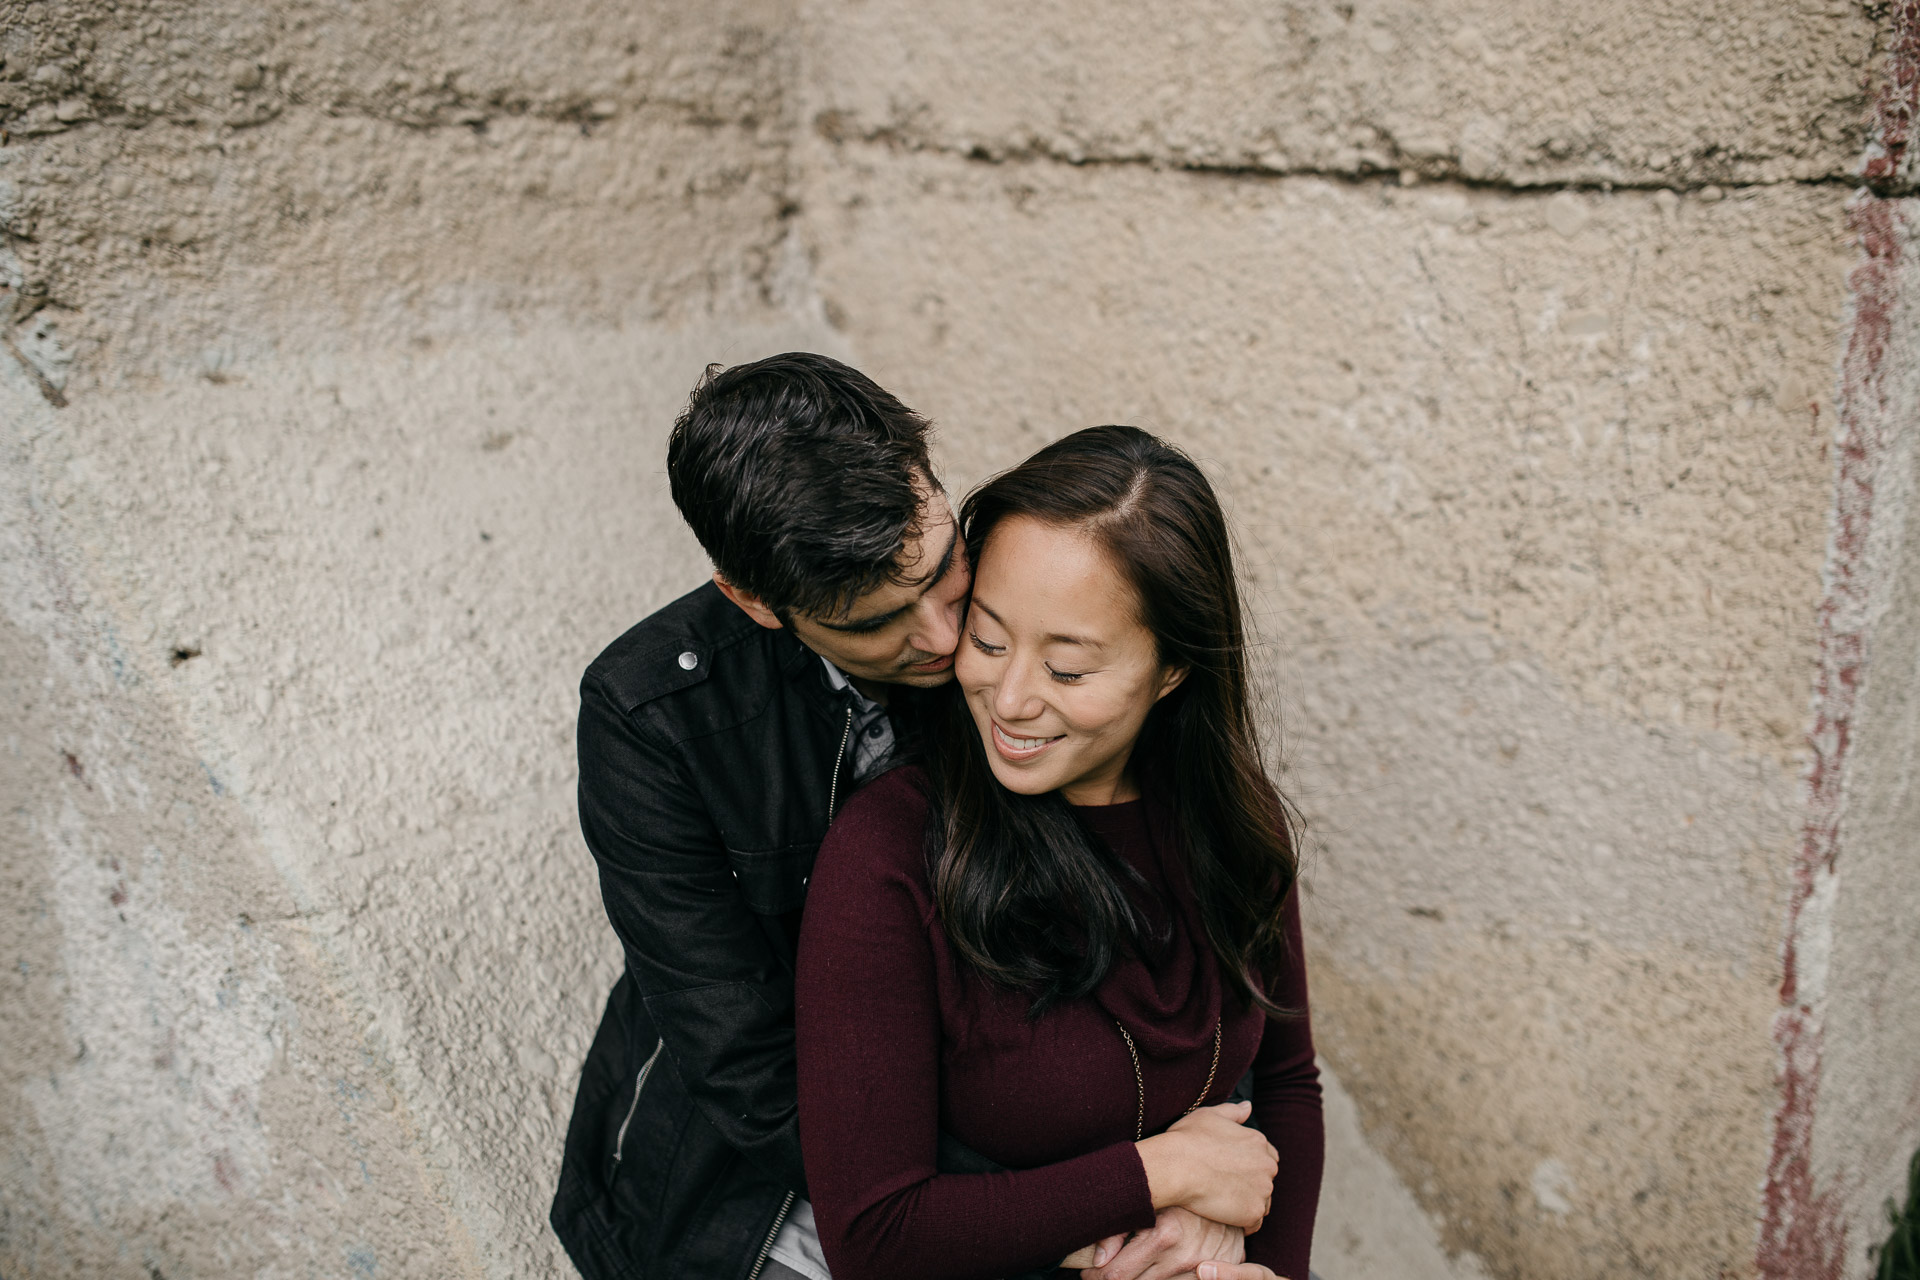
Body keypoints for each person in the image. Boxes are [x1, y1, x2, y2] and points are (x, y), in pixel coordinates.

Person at [551, 356, 1259, 1280]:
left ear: (928, 476)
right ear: (754, 602)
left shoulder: (1012, 621)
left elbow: (1172, 890)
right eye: (876, 621)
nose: (941, 637)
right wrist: (1096, 1205)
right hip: (761, 1198)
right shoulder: (651, 719)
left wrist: (1204, 1162)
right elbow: (748, 1067)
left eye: (938, 571)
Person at [794, 426, 1324, 1280]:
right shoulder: (890, 857)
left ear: (1174, 667)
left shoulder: (1235, 823)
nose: (1008, 699)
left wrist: (1265, 1268)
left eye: (1068, 670)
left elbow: (1289, 1083)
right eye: (990, 639)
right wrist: (1164, 1175)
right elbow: (877, 1232)